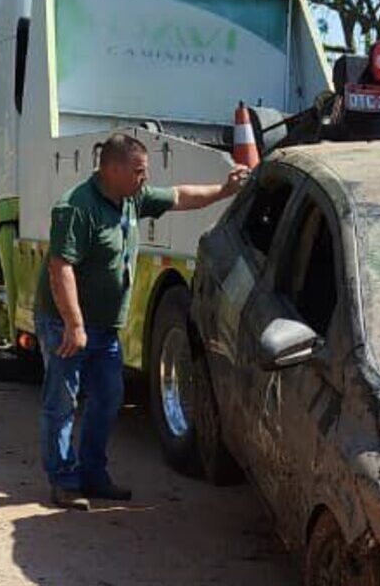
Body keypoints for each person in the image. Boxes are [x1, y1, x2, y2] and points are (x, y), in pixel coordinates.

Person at [34, 133, 248, 510]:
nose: (144, 178)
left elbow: (180, 196)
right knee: (62, 401)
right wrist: (74, 324)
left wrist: (224, 190)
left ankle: (94, 475)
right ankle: (64, 481)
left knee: (109, 397)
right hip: (67, 325)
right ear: (112, 168)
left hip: (104, 329)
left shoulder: (132, 199)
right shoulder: (76, 207)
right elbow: (60, 267)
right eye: (138, 171)